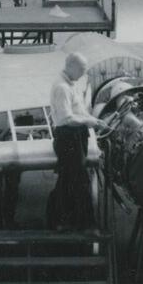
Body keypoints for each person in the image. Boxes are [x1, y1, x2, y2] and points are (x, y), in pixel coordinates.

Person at [47, 53, 103, 230]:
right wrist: (90, 122)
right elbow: (65, 119)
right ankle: (84, 223)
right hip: (68, 138)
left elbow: (78, 110)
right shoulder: (62, 87)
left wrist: (94, 121)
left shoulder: (71, 85)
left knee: (68, 180)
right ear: (70, 66)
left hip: (76, 136)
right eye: (81, 70)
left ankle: (60, 220)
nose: (82, 74)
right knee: (79, 180)